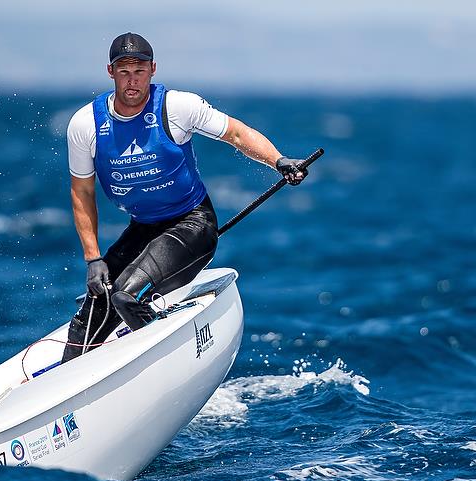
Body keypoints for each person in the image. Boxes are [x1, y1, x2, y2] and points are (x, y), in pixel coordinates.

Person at [61, 32, 308, 362]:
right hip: (144, 227)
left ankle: (161, 367)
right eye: (124, 72)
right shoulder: (86, 125)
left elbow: (236, 133)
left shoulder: (178, 107)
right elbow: (82, 192)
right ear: (110, 72)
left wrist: (278, 160)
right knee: (88, 321)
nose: (132, 80)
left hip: (193, 224)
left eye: (139, 70)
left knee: (126, 295)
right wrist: (94, 260)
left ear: (152, 70)